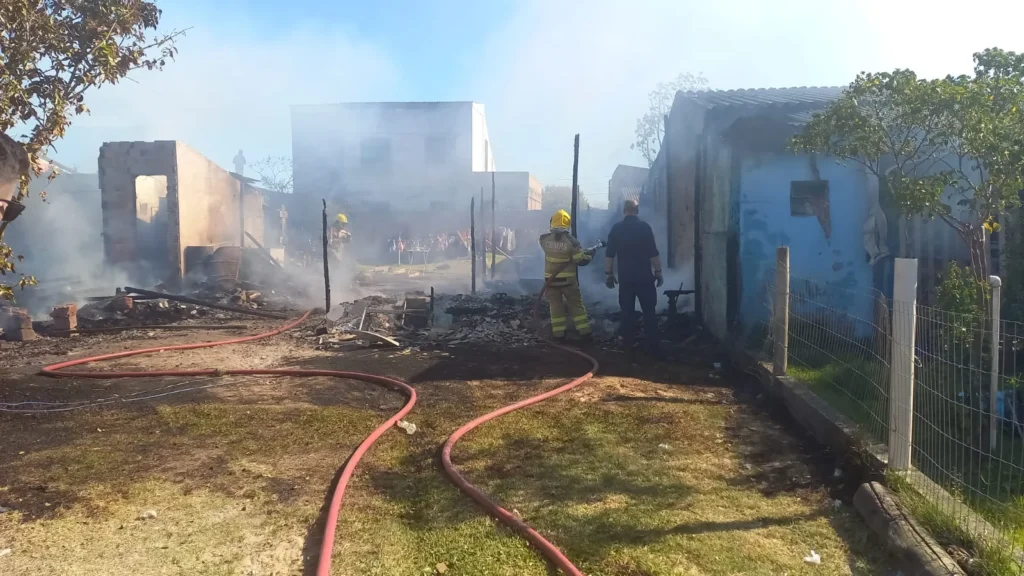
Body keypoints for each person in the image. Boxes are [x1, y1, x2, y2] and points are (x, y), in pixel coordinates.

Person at [605, 199, 664, 359]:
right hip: (645, 278)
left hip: (626, 280)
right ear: (637, 211)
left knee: (627, 312)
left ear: (624, 211)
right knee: (649, 312)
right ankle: (653, 347)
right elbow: (653, 253)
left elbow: (609, 254)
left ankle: (628, 347)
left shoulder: (616, 229)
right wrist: (658, 271)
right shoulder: (644, 228)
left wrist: (609, 274)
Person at [539, 209, 595, 341]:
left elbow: (553, 243)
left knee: (555, 307)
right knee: (576, 306)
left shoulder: (543, 239)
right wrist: (589, 256)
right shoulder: (572, 241)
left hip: (550, 282)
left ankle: (559, 334)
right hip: (568, 282)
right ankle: (585, 333)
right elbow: (580, 261)